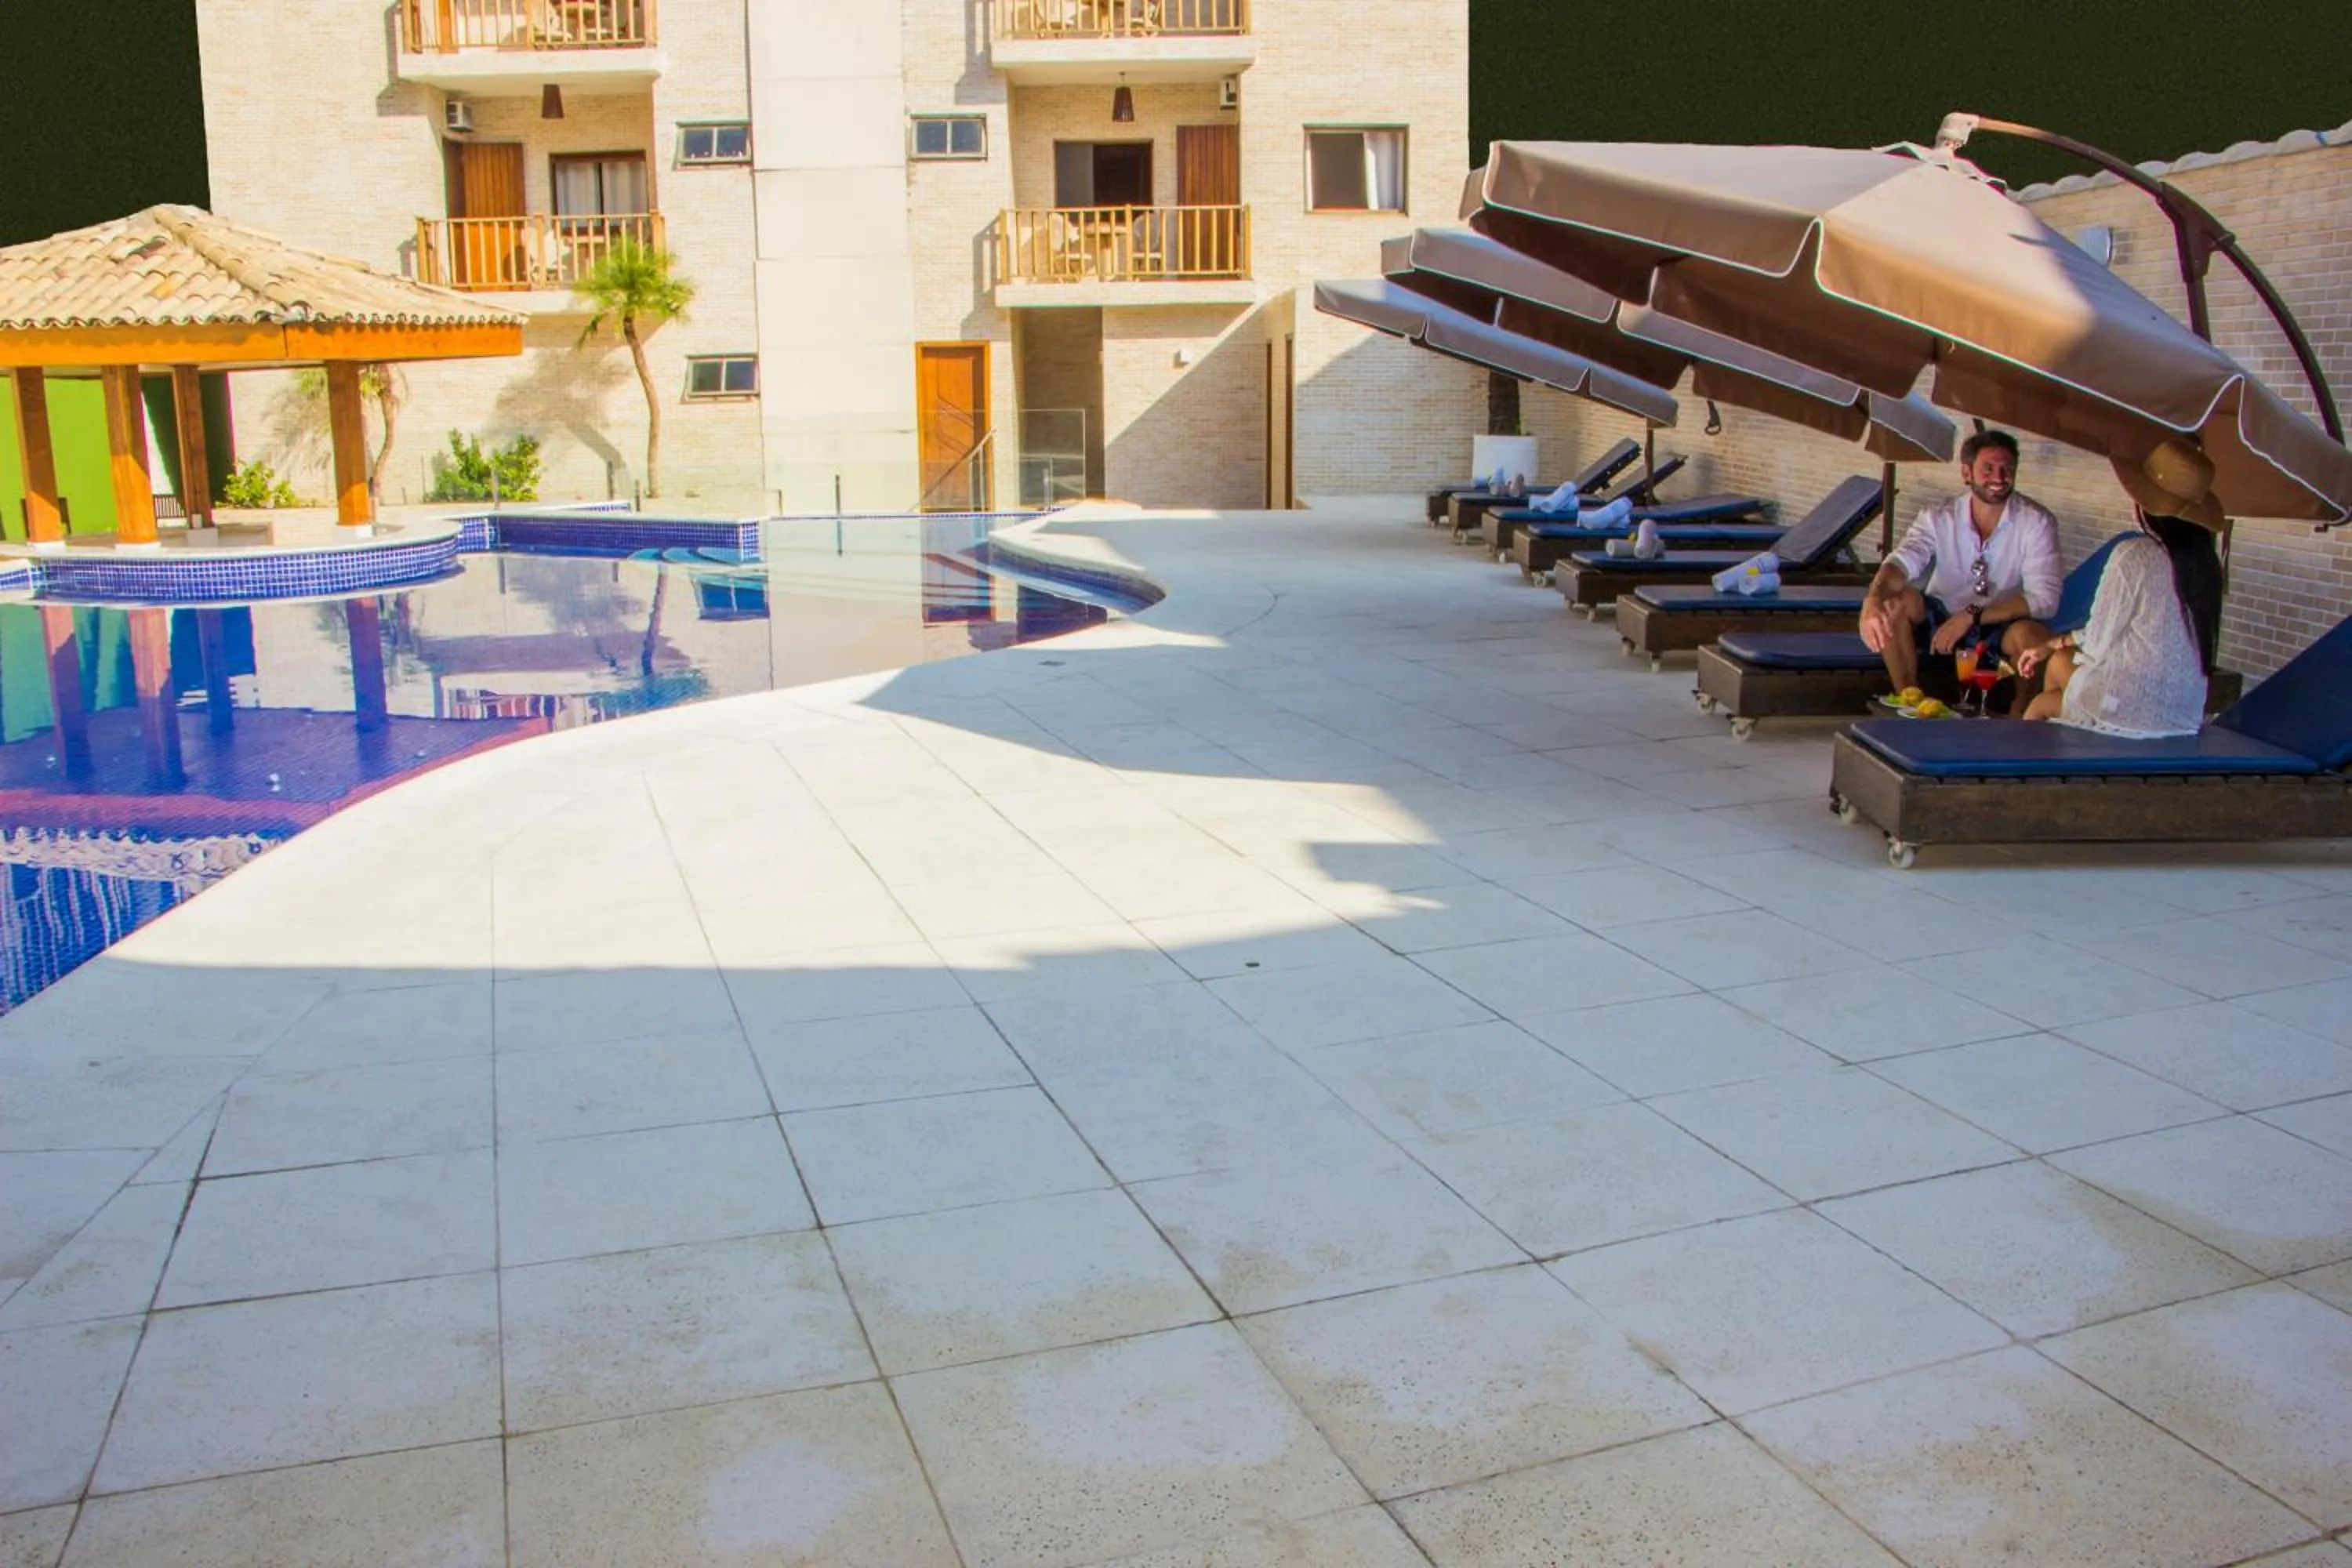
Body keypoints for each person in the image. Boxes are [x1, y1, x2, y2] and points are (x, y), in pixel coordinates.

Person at [2018, 440, 2223, 738]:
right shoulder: (2208, 566)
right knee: (2059, 661)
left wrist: (2058, 645)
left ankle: (2052, 767)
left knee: (2039, 704)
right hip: (2183, 713)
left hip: (2130, 712)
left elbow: (2100, 642)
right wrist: (2053, 644)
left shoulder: (2134, 555)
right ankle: (2071, 746)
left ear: (2145, 505)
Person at [1857, 430, 2063, 706]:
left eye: (2007, 469)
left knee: (2033, 636)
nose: (1999, 478)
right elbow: (1901, 563)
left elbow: (2045, 600)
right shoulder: (1938, 518)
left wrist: (1971, 615)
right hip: (1940, 619)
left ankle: (2021, 716)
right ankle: (1909, 699)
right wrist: (1873, 599)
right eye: (1988, 469)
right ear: (1967, 473)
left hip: (1998, 624)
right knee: (1895, 602)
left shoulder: (2037, 522)